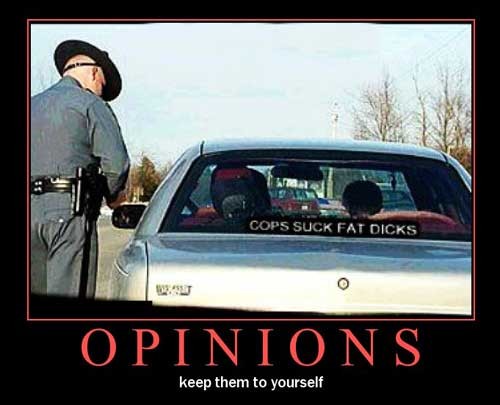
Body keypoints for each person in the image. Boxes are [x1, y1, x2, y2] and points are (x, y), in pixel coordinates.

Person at [31, 40, 130, 298]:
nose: (100, 92)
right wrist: (113, 196)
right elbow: (116, 164)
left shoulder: (32, 104)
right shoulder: (89, 104)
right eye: (102, 86)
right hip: (69, 214)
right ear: (95, 72)